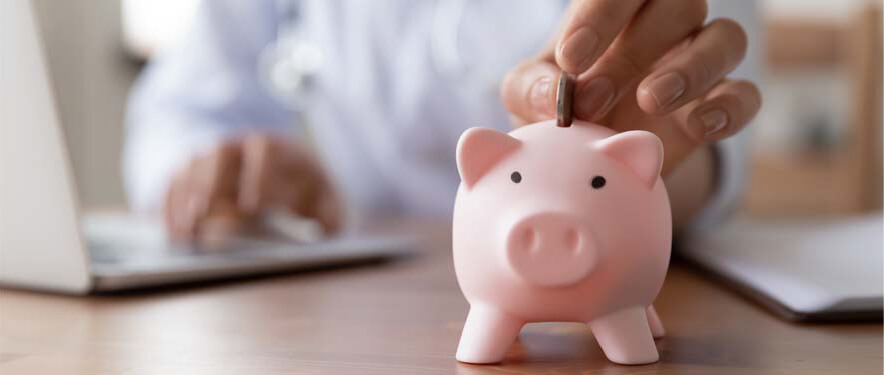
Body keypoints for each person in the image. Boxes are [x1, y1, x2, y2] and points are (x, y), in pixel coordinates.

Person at [124, 0, 762, 241]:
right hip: (348, 308)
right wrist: (231, 170)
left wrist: (631, 163)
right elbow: (177, 112)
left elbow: (704, 138)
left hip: (619, 280)